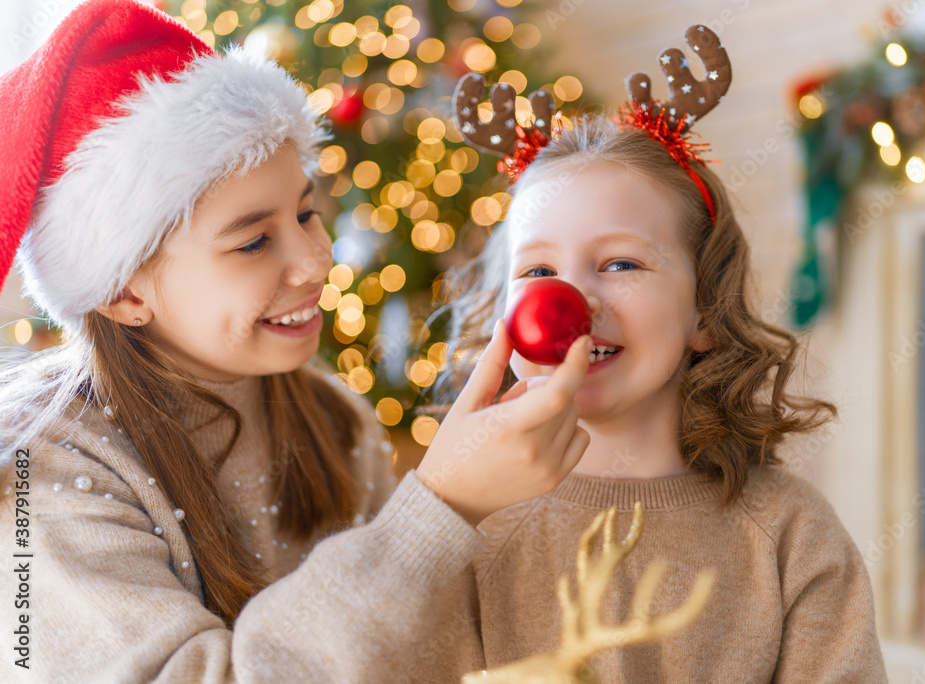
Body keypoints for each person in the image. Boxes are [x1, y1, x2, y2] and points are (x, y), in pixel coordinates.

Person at [0, 1, 595, 681]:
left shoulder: (335, 420)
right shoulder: (42, 478)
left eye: (308, 212)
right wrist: (439, 509)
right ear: (125, 293)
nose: (316, 261)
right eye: (254, 240)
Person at [414, 26, 890, 682]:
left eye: (620, 262)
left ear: (706, 312)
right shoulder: (460, 530)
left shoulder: (792, 535)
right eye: (536, 272)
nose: (571, 303)